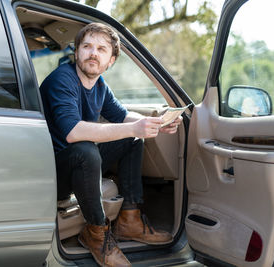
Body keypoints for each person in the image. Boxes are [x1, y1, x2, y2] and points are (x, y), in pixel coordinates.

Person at [39, 22, 182, 267]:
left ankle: (129, 220)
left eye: (101, 49)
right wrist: (133, 127)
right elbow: (73, 132)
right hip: (52, 172)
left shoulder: (100, 86)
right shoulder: (62, 80)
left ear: (111, 60)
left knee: (133, 138)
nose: (93, 53)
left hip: (77, 163)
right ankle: (96, 233)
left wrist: (156, 124)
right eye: (87, 46)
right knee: (86, 149)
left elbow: (123, 116)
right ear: (77, 53)